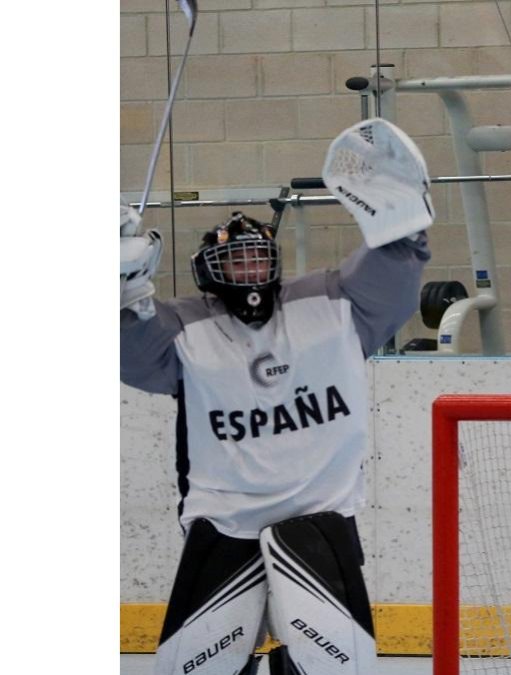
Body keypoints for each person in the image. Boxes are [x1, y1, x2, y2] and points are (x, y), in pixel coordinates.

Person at [120, 119, 434, 675]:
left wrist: (399, 223)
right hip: (224, 519)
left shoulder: (332, 303)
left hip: (321, 515)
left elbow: (389, 280)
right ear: (207, 272)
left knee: (325, 669)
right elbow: (136, 356)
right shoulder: (184, 329)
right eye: (233, 261)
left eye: (255, 257)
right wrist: (121, 294)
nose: (247, 270)